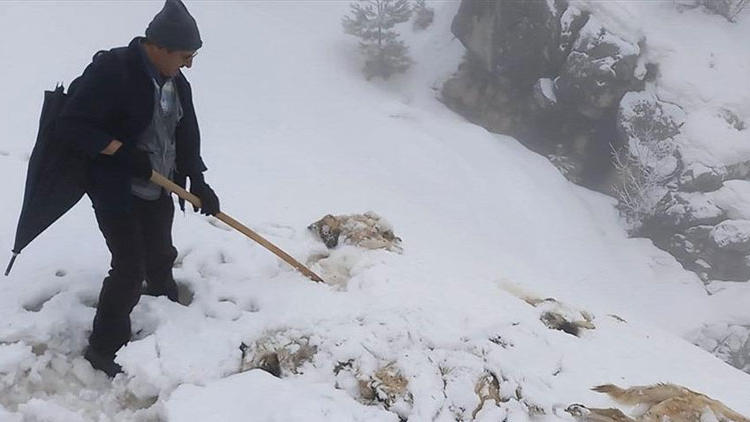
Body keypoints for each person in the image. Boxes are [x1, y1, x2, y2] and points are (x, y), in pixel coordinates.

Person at [56, 0, 219, 377]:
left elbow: (185, 133)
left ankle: (162, 297)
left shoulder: (177, 83)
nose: (189, 64)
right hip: (115, 187)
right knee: (129, 267)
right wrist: (120, 152)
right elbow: (73, 125)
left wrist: (198, 178)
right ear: (158, 46)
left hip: (158, 184)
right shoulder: (113, 70)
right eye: (184, 55)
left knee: (160, 250)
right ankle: (103, 347)